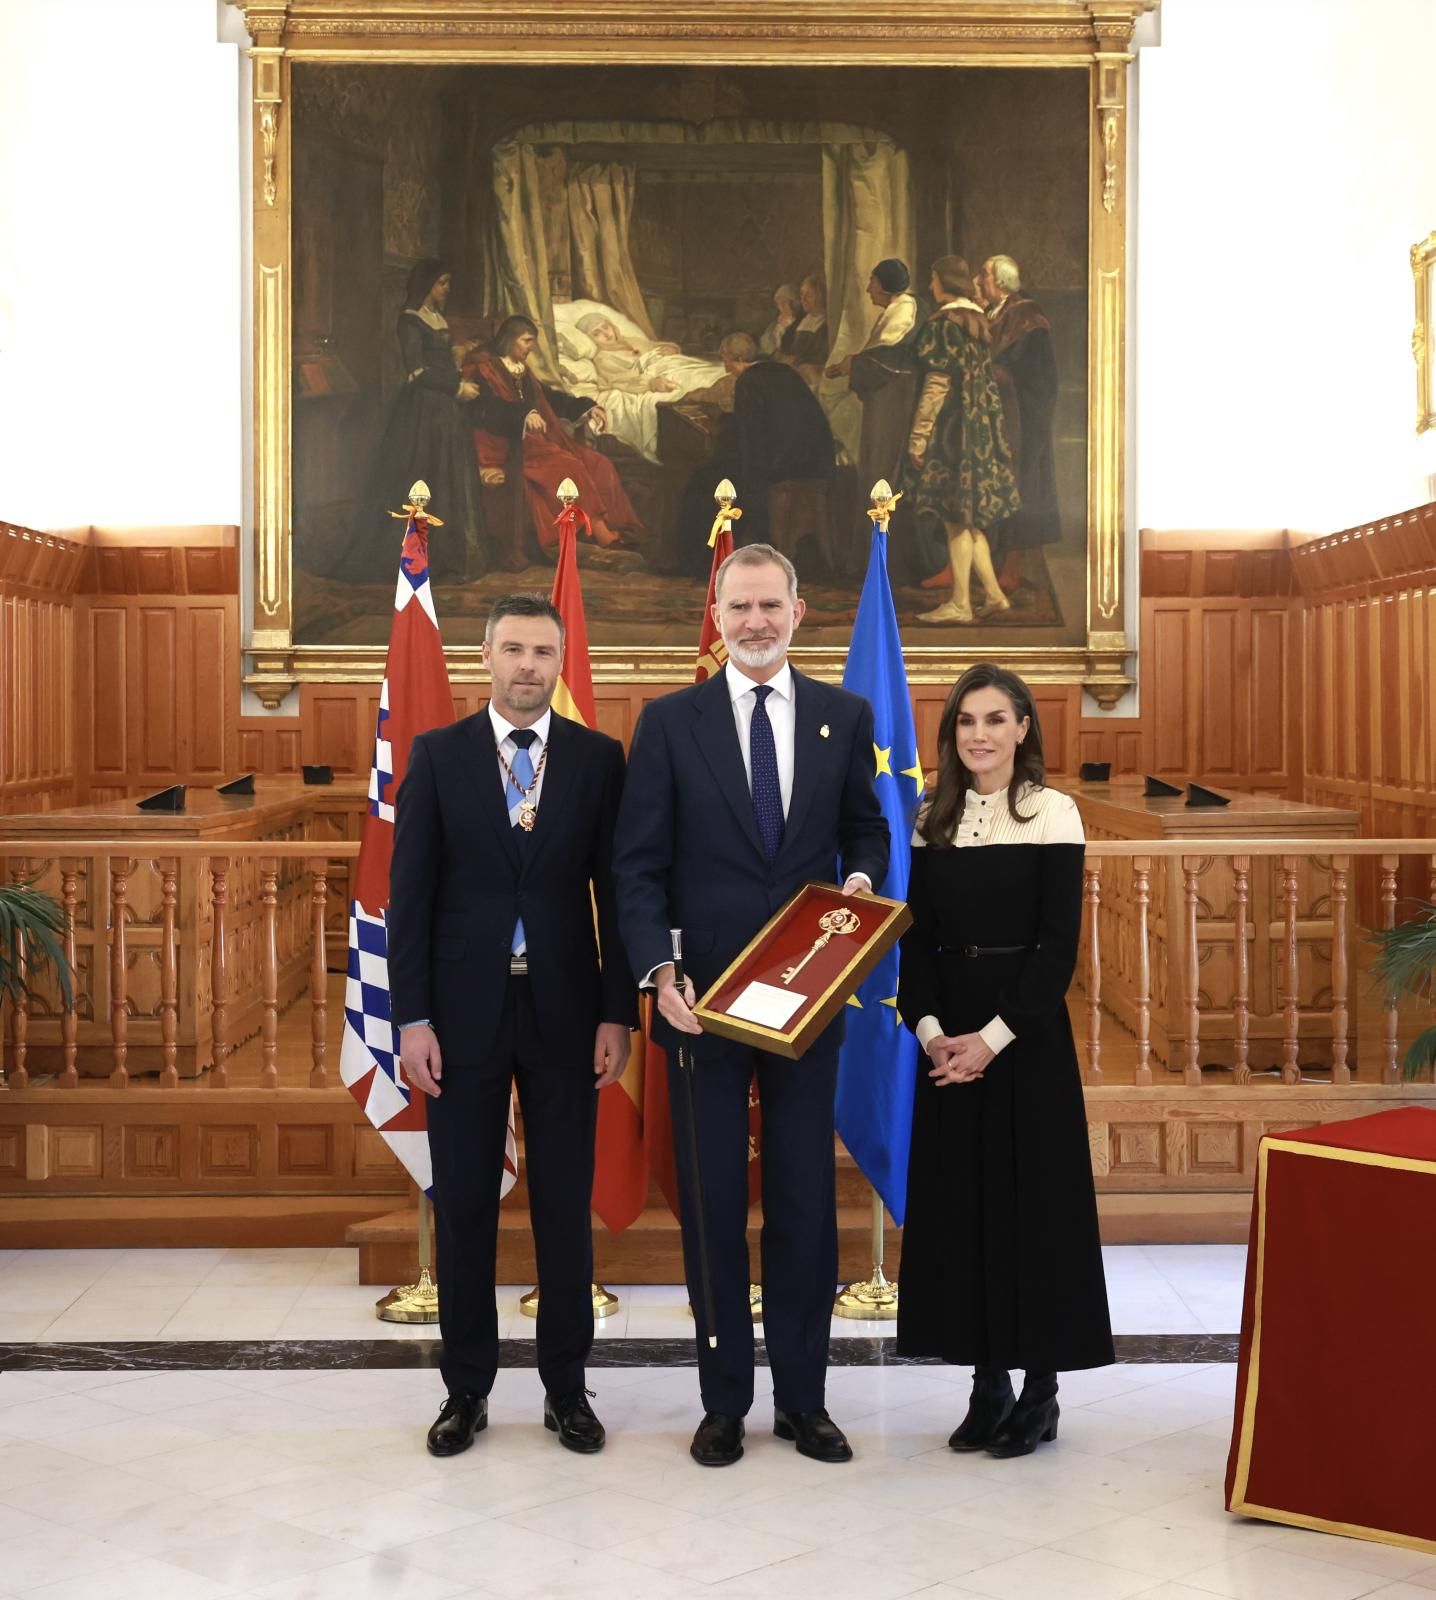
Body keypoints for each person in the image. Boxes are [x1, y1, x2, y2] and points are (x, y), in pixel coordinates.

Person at [614, 544, 889, 1468]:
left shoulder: (843, 717)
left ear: (799, 612)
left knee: (806, 1204)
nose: (756, 621)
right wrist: (657, 975)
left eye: (771, 604)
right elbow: (638, 867)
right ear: (717, 613)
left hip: (808, 1006)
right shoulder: (667, 723)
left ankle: (805, 1401)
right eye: (740, 606)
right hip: (702, 1010)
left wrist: (850, 893)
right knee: (714, 1204)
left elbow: (865, 828)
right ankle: (724, 1399)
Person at [389, 592, 637, 1459]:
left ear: (560, 660)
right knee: (464, 1206)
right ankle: (466, 1390)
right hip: (459, 1018)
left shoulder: (598, 759)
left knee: (563, 1205)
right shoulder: (440, 755)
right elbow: (408, 897)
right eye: (513, 649)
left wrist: (618, 1014)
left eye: (543, 651)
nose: (528, 665)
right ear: (485, 658)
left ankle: (567, 1389)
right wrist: (410, 1017)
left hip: (568, 1013)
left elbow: (617, 894)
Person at [896, 663, 1113, 1457]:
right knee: (965, 1213)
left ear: (1024, 727)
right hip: (946, 1045)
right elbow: (914, 948)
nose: (980, 734)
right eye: (965, 722)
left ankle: (1040, 1390)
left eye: (995, 719)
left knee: (1033, 1214)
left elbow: (1056, 952)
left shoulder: (1055, 814)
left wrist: (989, 1040)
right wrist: (931, 1035)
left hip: (1022, 1044)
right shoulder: (931, 820)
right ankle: (986, 1383)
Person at [348, 259, 486, 585]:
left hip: (446, 413)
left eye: (448, 282)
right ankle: (414, 558)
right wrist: (456, 386)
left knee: (447, 479)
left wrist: (458, 363)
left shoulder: (436, 318)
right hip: (423, 411)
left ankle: (449, 559)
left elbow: (439, 361)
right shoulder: (409, 322)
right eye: (441, 283)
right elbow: (417, 371)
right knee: (421, 474)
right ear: (426, 284)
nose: (446, 289)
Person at [902, 255, 1021, 625]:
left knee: (956, 519)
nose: (930, 285)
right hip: (981, 428)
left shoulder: (942, 325)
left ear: (945, 283)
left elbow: (937, 385)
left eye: (933, 278)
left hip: (953, 430)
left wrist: (919, 438)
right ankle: (996, 597)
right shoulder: (978, 320)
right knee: (971, 522)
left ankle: (960, 604)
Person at [469, 315, 642, 568]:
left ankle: (602, 530)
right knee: (567, 465)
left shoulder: (522, 370)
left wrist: (586, 406)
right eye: (527, 341)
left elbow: (548, 398)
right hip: (500, 444)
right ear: (510, 340)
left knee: (597, 462)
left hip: (533, 441)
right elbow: (484, 411)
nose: (531, 347)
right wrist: (522, 416)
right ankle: (601, 532)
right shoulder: (484, 370)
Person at [979, 255, 1062, 606]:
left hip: (1024, 419)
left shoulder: (1027, 317)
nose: (978, 281)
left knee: (1020, 487)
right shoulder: (996, 313)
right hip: (998, 413)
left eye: (983, 275)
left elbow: (1038, 376)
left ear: (998, 281)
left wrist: (1001, 375)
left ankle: (1012, 565)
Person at [778, 273, 831, 382]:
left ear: (820, 296)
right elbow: (785, 345)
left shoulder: (826, 323)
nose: (803, 299)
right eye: (802, 294)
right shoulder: (800, 320)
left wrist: (796, 361)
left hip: (808, 375)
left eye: (809, 295)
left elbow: (820, 356)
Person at [759, 283, 801, 356]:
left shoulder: (800, 321)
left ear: (793, 303)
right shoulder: (775, 323)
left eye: (784, 303)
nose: (781, 307)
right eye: (778, 304)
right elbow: (764, 340)